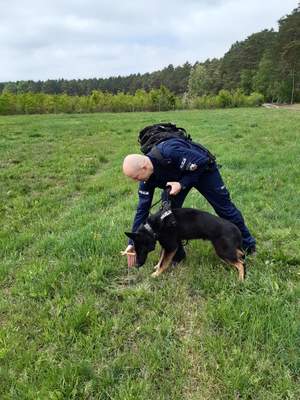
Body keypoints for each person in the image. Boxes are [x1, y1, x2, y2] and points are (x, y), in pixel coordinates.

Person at [122, 137, 256, 267]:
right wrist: (132, 242)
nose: (136, 181)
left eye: (135, 177)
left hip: (204, 171)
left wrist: (182, 184)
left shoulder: (170, 151)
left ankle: (248, 245)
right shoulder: (145, 180)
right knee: (168, 218)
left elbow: (202, 161)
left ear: (144, 167)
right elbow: (142, 210)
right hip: (177, 181)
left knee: (225, 209)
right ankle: (177, 255)